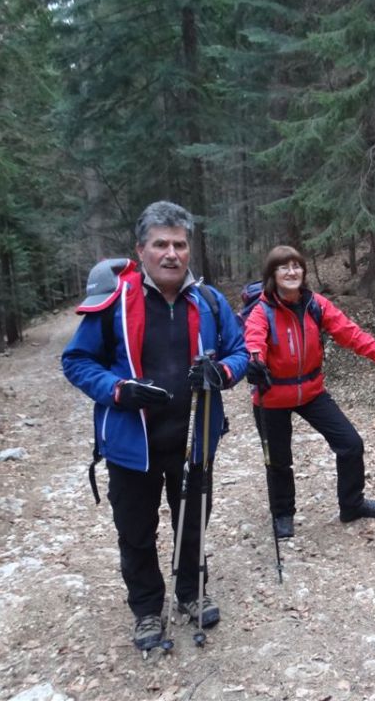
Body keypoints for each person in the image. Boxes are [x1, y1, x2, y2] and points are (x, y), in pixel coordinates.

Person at [62, 201, 249, 650]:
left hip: (193, 440)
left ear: (189, 251)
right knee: (136, 532)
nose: (171, 254)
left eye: (180, 245)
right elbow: (77, 360)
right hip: (132, 444)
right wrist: (119, 390)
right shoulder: (114, 302)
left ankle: (190, 592)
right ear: (140, 250)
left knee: (193, 524)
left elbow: (240, 351)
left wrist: (222, 374)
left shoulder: (208, 301)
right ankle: (147, 609)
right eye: (160, 244)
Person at [243, 245, 375, 540]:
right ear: (272, 275)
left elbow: (350, 333)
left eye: (296, 266)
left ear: (303, 271)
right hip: (271, 395)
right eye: (283, 267)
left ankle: (352, 504)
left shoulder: (315, 304)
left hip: (311, 391)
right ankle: (283, 514)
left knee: (350, 444)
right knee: (278, 460)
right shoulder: (262, 311)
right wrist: (254, 362)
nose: (291, 272)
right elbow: (253, 340)